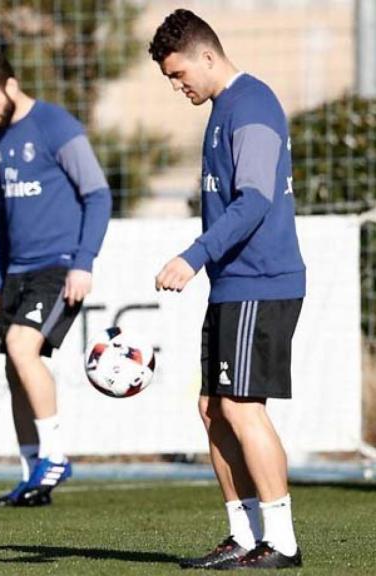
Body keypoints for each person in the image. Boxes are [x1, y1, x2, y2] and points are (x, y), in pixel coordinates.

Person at [149, 9, 306, 570]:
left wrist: (193, 257)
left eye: (178, 74)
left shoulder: (253, 105)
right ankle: (243, 534)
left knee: (240, 407)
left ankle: (281, 541)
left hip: (261, 281)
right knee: (213, 409)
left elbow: (257, 199)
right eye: (169, 78)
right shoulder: (221, 111)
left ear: (206, 56)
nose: (176, 86)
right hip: (233, 285)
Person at [0, 50, 112, 508]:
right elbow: (0, 218)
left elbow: (98, 194)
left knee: (22, 348)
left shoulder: (55, 126)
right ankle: (33, 477)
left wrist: (83, 262)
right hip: (17, 273)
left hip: (59, 265)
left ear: (11, 85)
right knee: (13, 367)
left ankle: (56, 455)